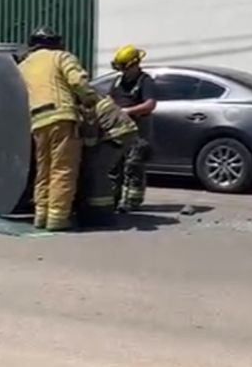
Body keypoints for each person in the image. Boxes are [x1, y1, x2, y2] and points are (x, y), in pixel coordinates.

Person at [18, 27, 100, 232]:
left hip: (37, 121)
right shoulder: (61, 57)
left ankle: (41, 214)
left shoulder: (23, 66)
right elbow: (78, 81)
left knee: (43, 170)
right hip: (62, 118)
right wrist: (91, 99)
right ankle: (57, 217)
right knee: (62, 169)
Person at [108, 44, 157, 213]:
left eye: (125, 68)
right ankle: (112, 199)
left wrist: (128, 111)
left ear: (134, 65)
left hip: (138, 130)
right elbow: (110, 99)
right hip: (119, 130)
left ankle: (132, 202)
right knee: (115, 165)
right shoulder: (118, 81)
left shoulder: (145, 81)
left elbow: (150, 104)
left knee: (134, 165)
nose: (123, 72)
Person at [75, 96, 138, 228]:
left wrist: (87, 151)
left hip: (118, 134)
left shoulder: (86, 102)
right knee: (97, 169)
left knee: (97, 169)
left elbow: (91, 131)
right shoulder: (91, 96)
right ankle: (101, 210)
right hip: (122, 131)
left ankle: (102, 214)